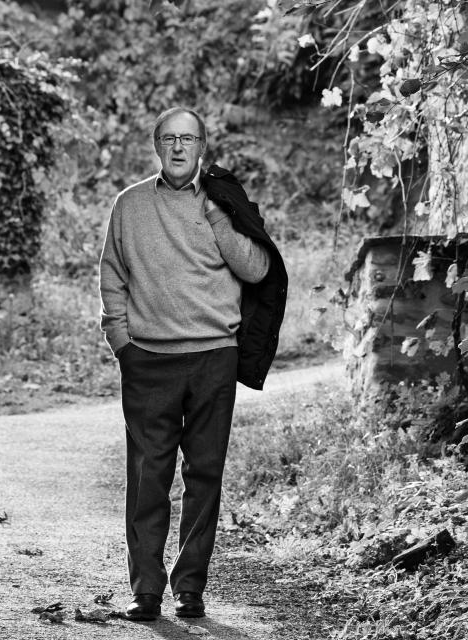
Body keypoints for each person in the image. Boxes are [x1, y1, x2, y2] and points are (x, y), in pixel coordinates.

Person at [99, 106, 287, 622]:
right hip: (148, 361)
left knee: (204, 475)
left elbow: (257, 267)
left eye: (189, 138)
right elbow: (112, 272)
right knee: (147, 476)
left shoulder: (222, 202)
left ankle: (190, 588)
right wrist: (120, 339)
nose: (179, 147)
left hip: (213, 359)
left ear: (203, 145)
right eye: (169, 138)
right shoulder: (130, 204)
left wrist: (216, 216)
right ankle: (146, 590)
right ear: (156, 145)